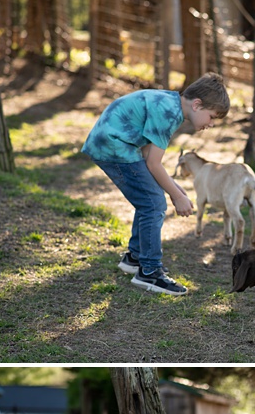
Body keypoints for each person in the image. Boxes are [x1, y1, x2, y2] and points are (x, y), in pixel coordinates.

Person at [81, 73, 230, 296]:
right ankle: (149, 272)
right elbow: (153, 163)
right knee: (153, 203)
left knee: (149, 198)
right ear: (197, 105)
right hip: (113, 146)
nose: (210, 124)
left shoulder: (170, 102)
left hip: (112, 142)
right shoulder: (169, 113)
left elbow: (148, 154)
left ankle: (135, 257)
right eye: (212, 117)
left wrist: (175, 189)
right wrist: (176, 196)